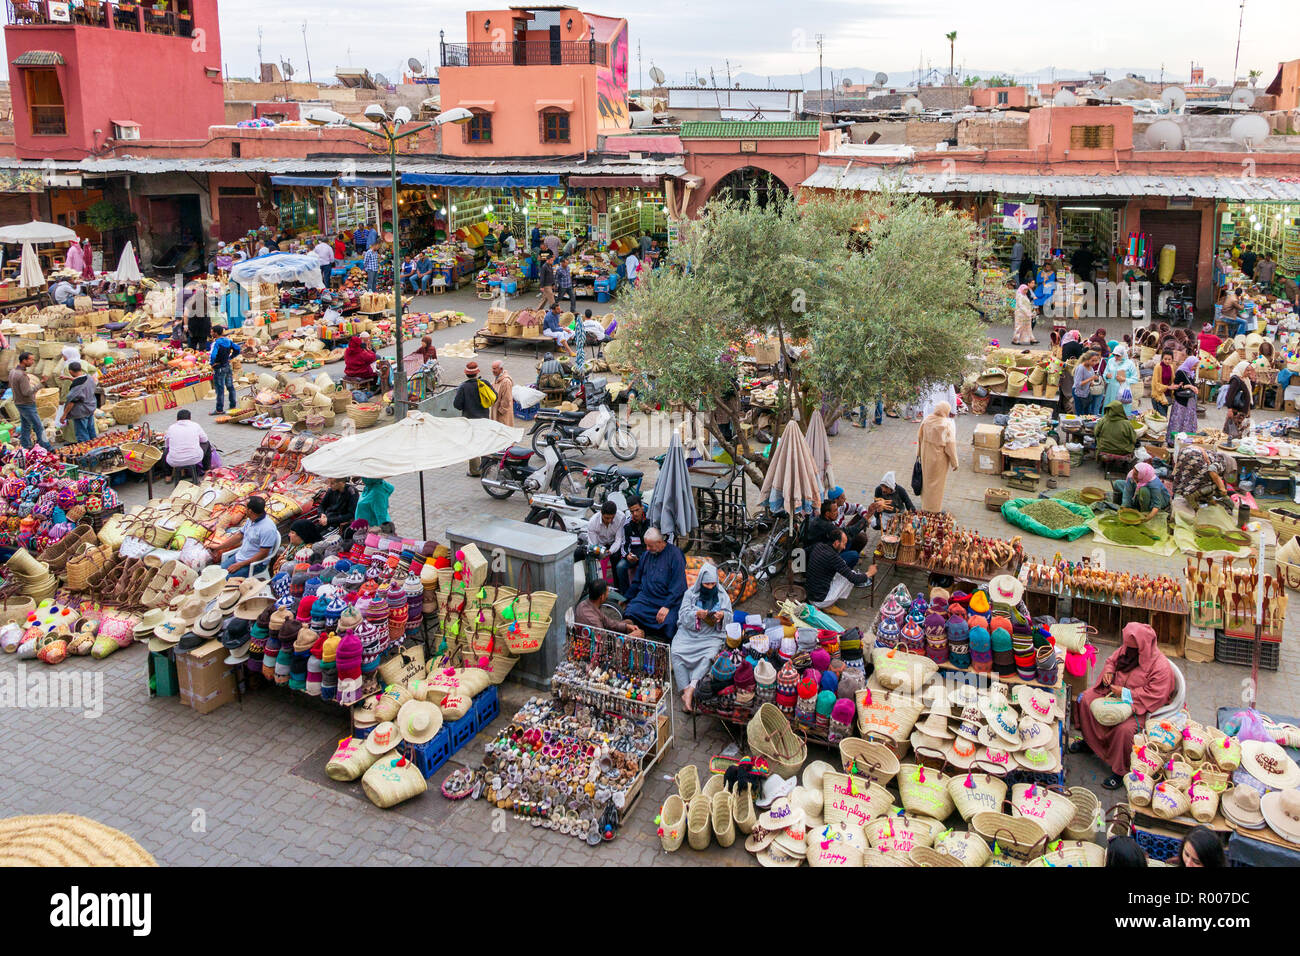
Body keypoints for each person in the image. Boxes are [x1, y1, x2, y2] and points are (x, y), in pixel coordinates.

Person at [1072, 621, 1177, 789]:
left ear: (1143, 648)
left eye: (1132, 649)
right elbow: (1112, 660)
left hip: (1139, 707)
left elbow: (1155, 695)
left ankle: (1120, 770)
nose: (1127, 651)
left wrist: (1126, 693)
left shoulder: (1160, 667)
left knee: (1124, 730)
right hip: (1114, 693)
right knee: (1086, 699)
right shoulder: (1127, 650)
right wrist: (1108, 671)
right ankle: (1090, 743)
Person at [673, 563, 733, 712]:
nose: (710, 586)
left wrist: (722, 615)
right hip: (689, 633)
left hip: (712, 635)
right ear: (701, 582)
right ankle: (685, 689)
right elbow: (683, 615)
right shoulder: (690, 594)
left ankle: (691, 688)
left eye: (713, 583)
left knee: (709, 656)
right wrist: (696, 615)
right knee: (676, 652)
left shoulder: (722, 595)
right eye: (707, 584)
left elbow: (730, 616)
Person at [622, 528, 686, 641]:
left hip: (667, 600)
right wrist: (626, 597)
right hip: (646, 598)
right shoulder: (647, 555)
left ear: (660, 542)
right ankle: (635, 632)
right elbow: (637, 580)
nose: (647, 548)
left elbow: (679, 586)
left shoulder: (675, 555)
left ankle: (654, 637)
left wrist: (667, 606)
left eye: (650, 546)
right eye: (646, 545)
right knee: (631, 611)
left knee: (670, 623)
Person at [208, 495, 280, 578]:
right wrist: (218, 547)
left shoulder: (267, 529)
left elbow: (263, 553)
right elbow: (239, 536)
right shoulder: (251, 520)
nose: (244, 510)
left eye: (246, 507)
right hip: (240, 556)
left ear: (250, 511)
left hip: (255, 564)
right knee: (216, 574)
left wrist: (239, 565)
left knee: (223, 580)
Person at [806, 531, 876, 615]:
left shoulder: (818, 546)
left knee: (844, 573)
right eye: (844, 544)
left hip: (810, 595)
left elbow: (804, 551)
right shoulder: (833, 558)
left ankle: (828, 601)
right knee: (850, 576)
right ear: (836, 543)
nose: (844, 547)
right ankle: (827, 605)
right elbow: (854, 579)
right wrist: (869, 573)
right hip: (819, 602)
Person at [916, 401, 959, 512]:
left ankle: (925, 506)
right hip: (939, 458)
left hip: (926, 455)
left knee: (926, 481)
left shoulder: (927, 420)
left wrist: (919, 454)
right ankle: (934, 509)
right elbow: (950, 445)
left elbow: (919, 438)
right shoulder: (946, 425)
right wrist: (955, 462)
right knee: (937, 484)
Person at [453, 361, 491, 476]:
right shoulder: (484, 383)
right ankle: (487, 467)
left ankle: (475, 470)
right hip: (484, 418)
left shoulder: (463, 387)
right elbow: (494, 396)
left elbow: (457, 405)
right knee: (484, 443)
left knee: (473, 444)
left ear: (466, 374)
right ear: (477, 372)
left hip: (470, 420)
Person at [9, 352, 52, 451]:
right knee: (38, 426)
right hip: (26, 404)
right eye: (31, 360)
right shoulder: (22, 375)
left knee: (26, 426)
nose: (33, 362)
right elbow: (27, 392)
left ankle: (25, 445)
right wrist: (41, 383)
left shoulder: (13, 371)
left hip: (19, 402)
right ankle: (47, 447)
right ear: (24, 361)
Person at [1170, 445, 1235, 509]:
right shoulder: (1222, 462)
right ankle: (1190, 497)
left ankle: (1188, 494)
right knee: (1208, 480)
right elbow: (1211, 470)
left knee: (1187, 477)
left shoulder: (1214, 455)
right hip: (1195, 456)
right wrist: (1222, 488)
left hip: (1184, 451)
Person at [574, 579, 642, 637]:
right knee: (639, 634)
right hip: (595, 646)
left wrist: (626, 626)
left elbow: (608, 622)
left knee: (629, 623)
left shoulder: (586, 603)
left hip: (600, 635)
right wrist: (629, 637)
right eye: (607, 592)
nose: (608, 594)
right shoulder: (593, 621)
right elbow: (604, 642)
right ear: (602, 596)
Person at [615, 495, 651, 593]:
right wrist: (627, 555)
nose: (634, 514)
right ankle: (625, 595)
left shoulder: (651, 520)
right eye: (632, 511)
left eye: (637, 510)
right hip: (634, 557)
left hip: (649, 556)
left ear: (642, 507)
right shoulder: (627, 524)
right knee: (620, 567)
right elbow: (623, 545)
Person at [163, 409, 209, 483]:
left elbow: (166, 445)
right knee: (207, 443)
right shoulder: (195, 425)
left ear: (177, 419)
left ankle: (168, 476)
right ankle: (207, 471)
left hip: (175, 461)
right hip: (194, 458)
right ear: (190, 418)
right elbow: (204, 440)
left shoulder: (171, 428)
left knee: (165, 450)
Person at [59, 361, 97, 442]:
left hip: (81, 412)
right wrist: (68, 378)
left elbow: (72, 402)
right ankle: (95, 446)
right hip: (90, 408)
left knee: (82, 434)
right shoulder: (89, 377)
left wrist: (64, 415)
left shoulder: (77, 386)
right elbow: (81, 380)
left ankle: (87, 451)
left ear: (70, 372)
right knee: (91, 430)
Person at [208, 324, 240, 415]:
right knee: (230, 386)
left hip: (219, 368)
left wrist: (212, 363)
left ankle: (219, 409)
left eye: (212, 332)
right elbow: (237, 349)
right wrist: (230, 357)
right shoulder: (228, 341)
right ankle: (233, 405)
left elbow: (213, 355)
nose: (211, 333)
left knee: (220, 388)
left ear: (215, 333)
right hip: (227, 366)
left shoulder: (216, 343)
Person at [1167, 355, 1199, 439]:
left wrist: (1194, 388)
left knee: (1187, 423)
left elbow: (1191, 385)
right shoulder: (1180, 372)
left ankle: (1186, 440)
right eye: (1194, 365)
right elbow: (1176, 388)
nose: (1195, 368)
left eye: (1196, 366)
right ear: (1189, 363)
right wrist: (1188, 386)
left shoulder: (1191, 373)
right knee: (1178, 423)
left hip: (1189, 403)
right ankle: (1174, 441)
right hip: (1181, 403)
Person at [1102, 343, 1139, 414]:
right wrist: (1107, 376)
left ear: (1123, 355)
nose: (1115, 357)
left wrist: (1124, 379)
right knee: (1110, 409)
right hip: (1111, 390)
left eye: (1118, 355)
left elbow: (1135, 378)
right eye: (1114, 354)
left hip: (1122, 390)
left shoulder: (1129, 364)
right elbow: (1105, 373)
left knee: (1121, 411)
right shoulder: (1111, 361)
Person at [1222, 361, 1255, 431]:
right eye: (1247, 370)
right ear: (1242, 369)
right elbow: (1230, 395)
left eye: (1250, 370)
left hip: (1243, 410)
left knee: (1241, 432)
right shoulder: (1236, 380)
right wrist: (1230, 409)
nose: (1249, 372)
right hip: (1237, 411)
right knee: (1232, 431)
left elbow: (1249, 392)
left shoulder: (1245, 379)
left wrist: (1253, 380)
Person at [1072, 351, 1102, 416]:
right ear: (1087, 360)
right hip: (1078, 393)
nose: (1094, 363)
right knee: (1080, 414)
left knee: (1087, 414)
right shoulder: (1081, 368)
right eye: (1092, 360)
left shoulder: (1090, 367)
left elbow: (1088, 380)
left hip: (1086, 393)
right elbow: (1078, 384)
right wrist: (1091, 379)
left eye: (1096, 361)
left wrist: (1091, 383)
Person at [1149, 350, 1174, 416]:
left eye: (1169, 359)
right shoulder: (1158, 367)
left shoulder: (1171, 367)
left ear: (1172, 360)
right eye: (1165, 359)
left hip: (1166, 396)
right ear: (1162, 358)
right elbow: (1155, 384)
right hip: (1157, 396)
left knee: (1164, 416)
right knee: (1161, 417)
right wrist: (1168, 387)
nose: (1167, 361)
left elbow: (1173, 380)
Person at [489, 359, 514, 426]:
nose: (492, 371)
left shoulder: (506, 382)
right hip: (496, 410)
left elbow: (507, 399)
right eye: (492, 368)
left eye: (494, 369)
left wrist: (501, 410)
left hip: (502, 414)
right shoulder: (497, 378)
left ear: (501, 369)